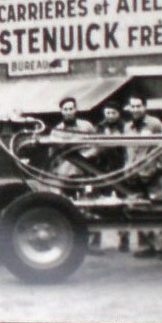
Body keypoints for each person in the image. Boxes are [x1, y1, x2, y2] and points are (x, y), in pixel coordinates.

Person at [124, 94, 162, 261]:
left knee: (158, 210)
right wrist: (127, 170)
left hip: (153, 175)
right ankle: (146, 245)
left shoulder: (155, 125)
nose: (136, 109)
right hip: (134, 175)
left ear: (145, 107)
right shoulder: (128, 127)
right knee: (138, 210)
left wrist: (158, 169)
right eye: (133, 106)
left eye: (139, 106)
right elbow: (127, 151)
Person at [52, 97, 100, 250]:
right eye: (65, 109)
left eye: (71, 108)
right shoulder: (57, 130)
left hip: (85, 172)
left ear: (76, 109)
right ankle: (71, 242)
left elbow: (98, 145)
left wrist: (87, 156)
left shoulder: (86, 127)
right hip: (65, 174)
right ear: (61, 111)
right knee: (65, 206)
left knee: (89, 206)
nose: (68, 112)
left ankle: (93, 243)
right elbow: (52, 153)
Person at [98, 100, 131, 253]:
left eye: (113, 113)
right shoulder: (100, 128)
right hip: (101, 171)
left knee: (123, 205)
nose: (110, 116)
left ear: (119, 114)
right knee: (96, 204)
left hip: (120, 170)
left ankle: (124, 240)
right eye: (108, 113)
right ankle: (94, 240)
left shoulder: (126, 128)